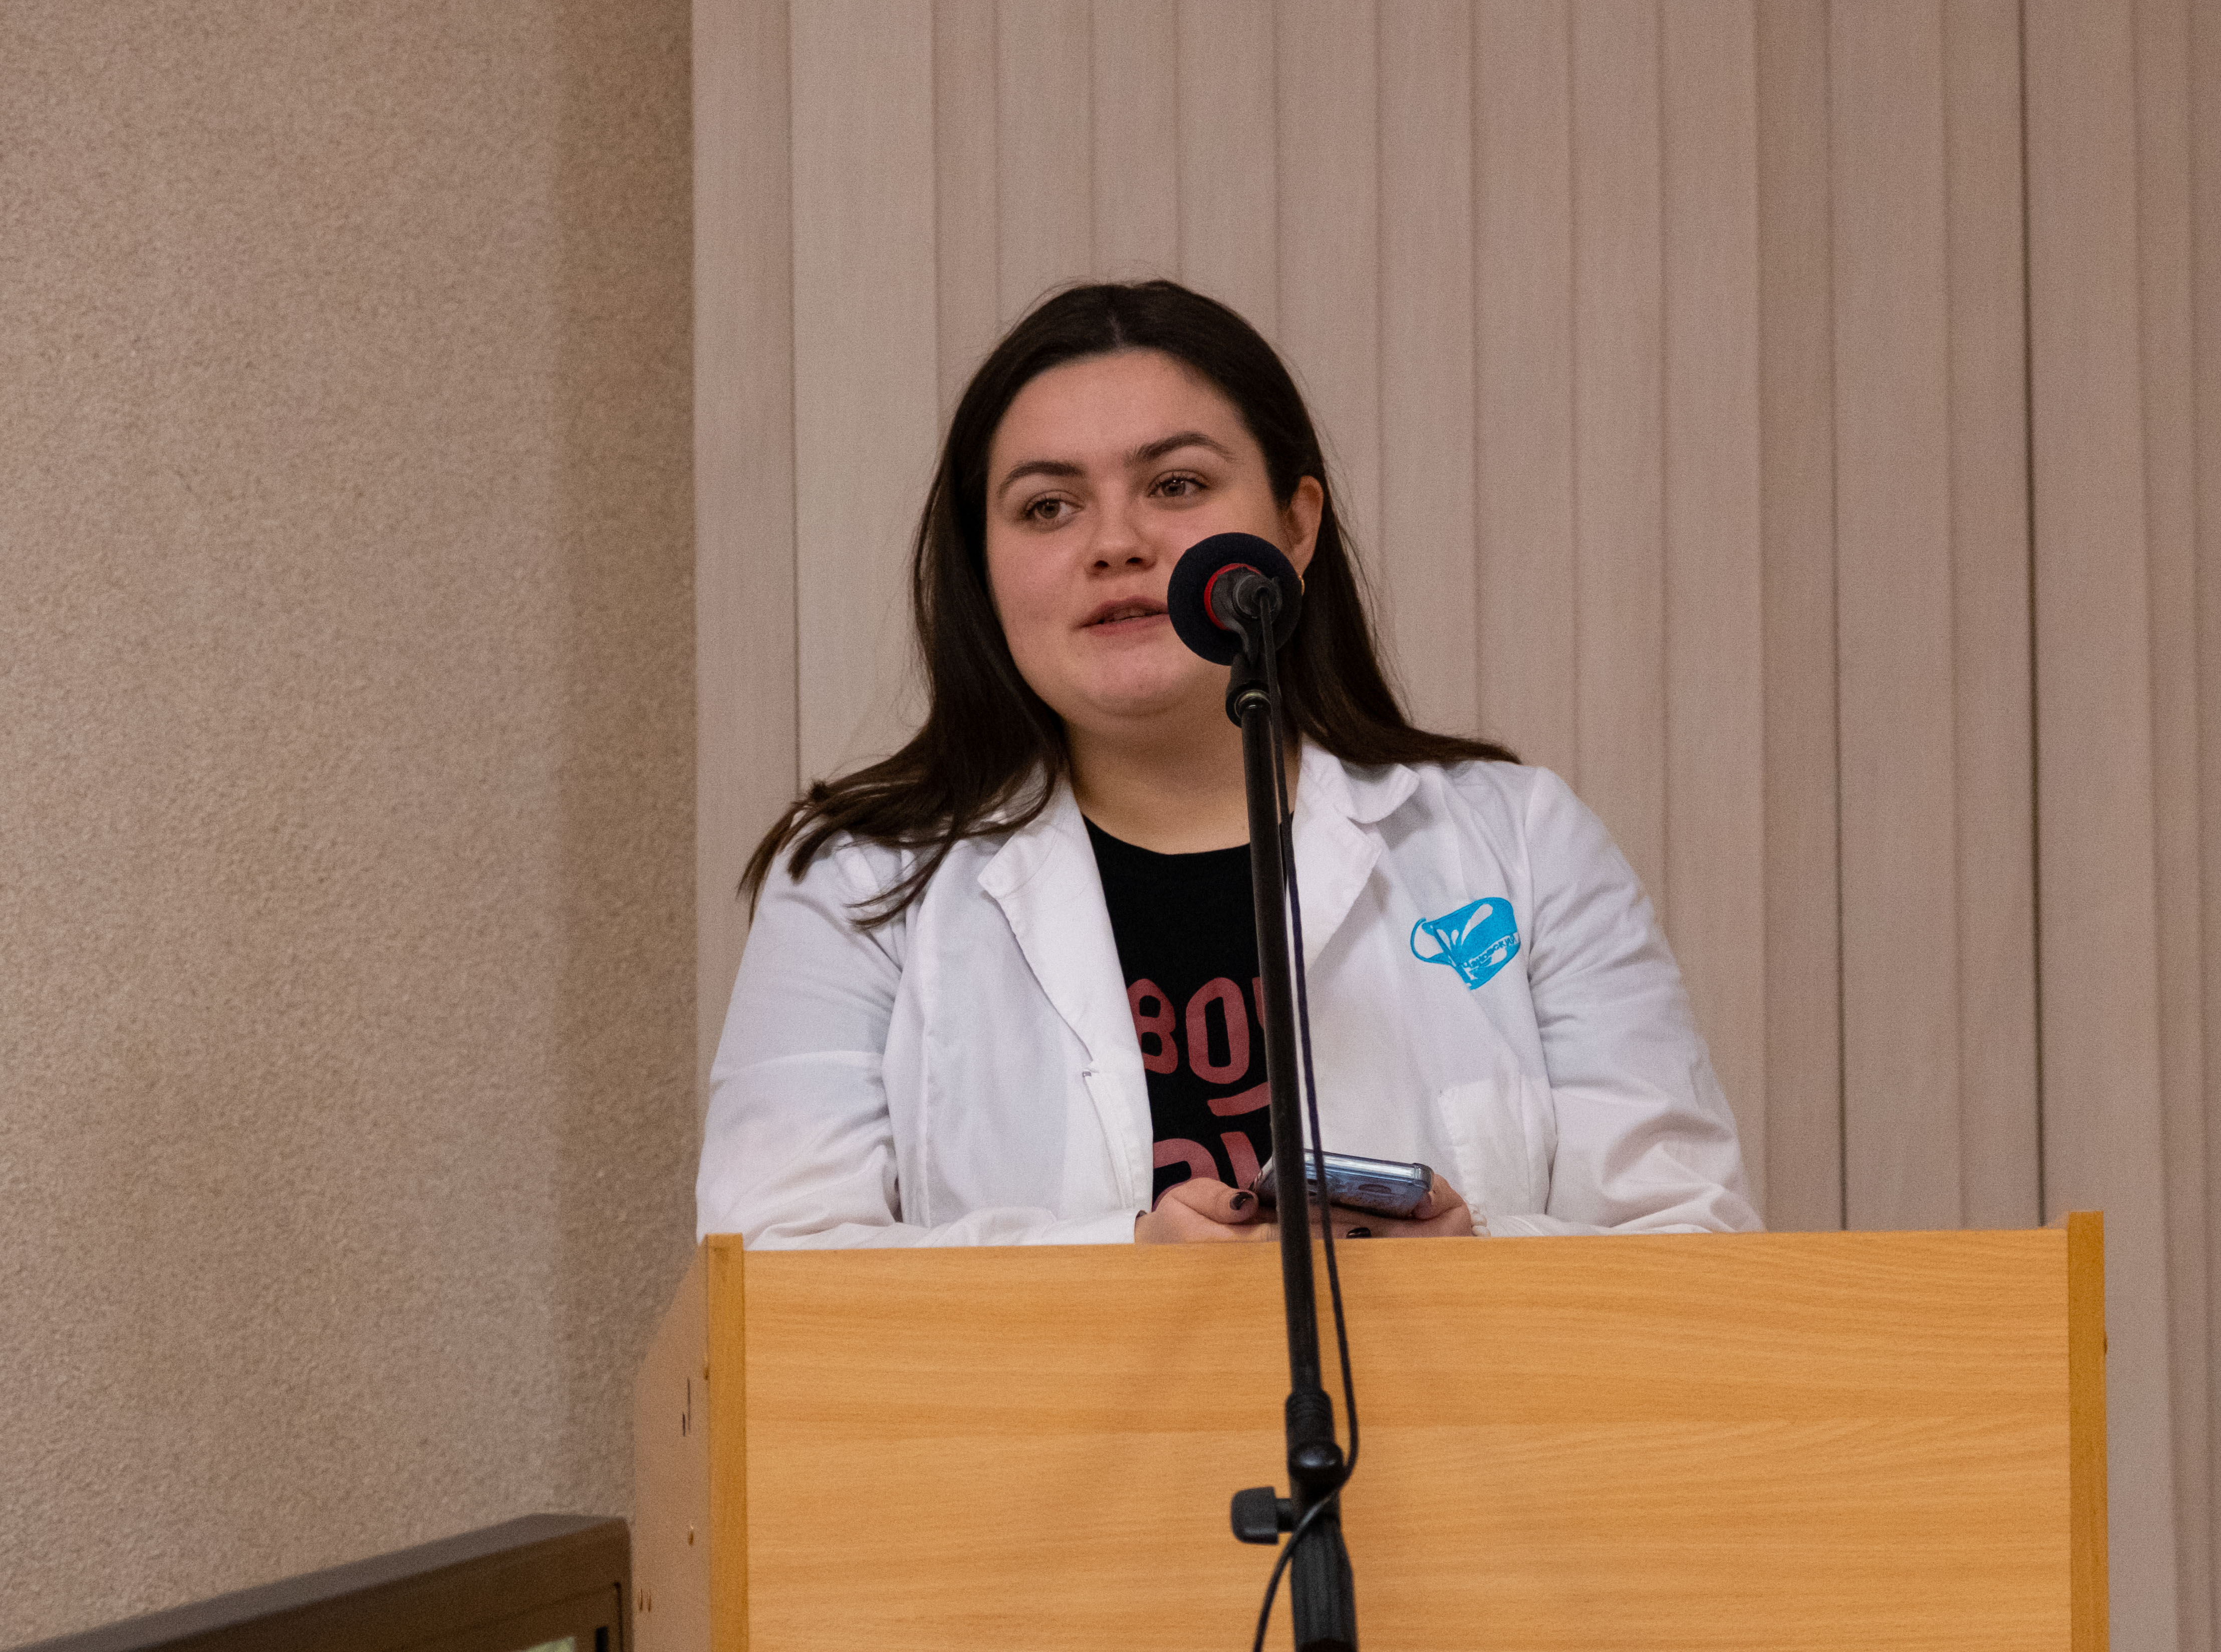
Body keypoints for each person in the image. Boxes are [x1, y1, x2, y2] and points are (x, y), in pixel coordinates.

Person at [697, 280, 1757, 1248]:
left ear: (1295, 527)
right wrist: (1126, 1265)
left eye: (1177, 484)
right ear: (984, 565)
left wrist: (1463, 1269)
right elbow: (775, 1272)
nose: (1116, 543)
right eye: (1048, 507)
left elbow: (1692, 1244)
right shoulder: (860, 882)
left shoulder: (1518, 843)